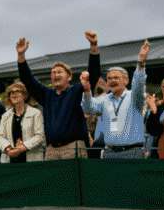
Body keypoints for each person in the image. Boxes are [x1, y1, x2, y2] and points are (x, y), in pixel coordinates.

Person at [15, 32, 102, 160]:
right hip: (51, 150)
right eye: (53, 73)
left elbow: (93, 75)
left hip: (73, 147)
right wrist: (21, 55)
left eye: (59, 72)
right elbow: (28, 80)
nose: (55, 74)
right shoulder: (46, 95)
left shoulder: (76, 91)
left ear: (69, 77)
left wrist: (93, 46)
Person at [81, 40, 150, 160]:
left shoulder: (134, 96)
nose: (112, 80)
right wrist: (87, 91)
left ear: (126, 81)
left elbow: (138, 84)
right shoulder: (104, 99)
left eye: (116, 78)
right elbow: (88, 108)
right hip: (109, 153)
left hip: (132, 152)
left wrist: (141, 63)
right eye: (109, 78)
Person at [0, 82, 45, 163]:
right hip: (10, 159)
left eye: (17, 91)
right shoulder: (5, 116)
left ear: (24, 95)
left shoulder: (36, 113)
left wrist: (22, 148)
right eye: (11, 92)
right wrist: (8, 149)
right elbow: (0, 136)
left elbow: (40, 136)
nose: (13, 94)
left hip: (32, 158)